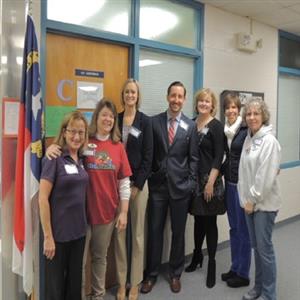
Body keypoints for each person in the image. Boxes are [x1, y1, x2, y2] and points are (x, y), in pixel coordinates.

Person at [46, 99, 132, 300]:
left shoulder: (118, 147)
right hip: (81, 216)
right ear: (96, 117)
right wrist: (52, 148)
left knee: (100, 259)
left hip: (106, 214)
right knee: (79, 263)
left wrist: (124, 212)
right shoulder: (85, 141)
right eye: (104, 114)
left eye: (111, 116)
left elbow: (124, 183)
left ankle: (98, 296)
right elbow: (67, 150)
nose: (108, 119)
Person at [140, 81, 198, 294]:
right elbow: (149, 155)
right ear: (167, 97)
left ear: (184, 99)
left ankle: (175, 273)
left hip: (181, 189)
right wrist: (151, 177)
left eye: (180, 96)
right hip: (158, 189)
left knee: (178, 233)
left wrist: (191, 183)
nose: (176, 100)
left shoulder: (190, 126)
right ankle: (151, 275)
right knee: (154, 232)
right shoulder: (153, 123)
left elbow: (193, 158)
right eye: (173, 95)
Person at [39, 111, 89, 300]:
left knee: (74, 285)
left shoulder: (82, 159)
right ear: (64, 132)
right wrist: (48, 237)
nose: (76, 136)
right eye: (72, 131)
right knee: (56, 288)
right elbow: (42, 199)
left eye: (81, 132)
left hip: (79, 233)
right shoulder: (54, 158)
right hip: (58, 236)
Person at [238, 98, 281, 300]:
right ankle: (258, 288)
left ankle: (269, 294)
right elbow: (244, 173)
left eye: (256, 113)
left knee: (265, 251)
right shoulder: (249, 138)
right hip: (249, 205)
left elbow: (264, 176)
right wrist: (244, 198)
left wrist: (252, 200)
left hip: (263, 205)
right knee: (257, 249)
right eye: (248, 113)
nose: (252, 117)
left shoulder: (269, 141)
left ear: (263, 116)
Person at [117, 79, 153, 300]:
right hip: (117, 185)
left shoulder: (145, 122)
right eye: (127, 92)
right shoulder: (116, 119)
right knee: (119, 235)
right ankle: (122, 282)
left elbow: (149, 156)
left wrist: (138, 185)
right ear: (123, 95)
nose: (130, 95)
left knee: (138, 235)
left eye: (134, 92)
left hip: (138, 185)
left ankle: (135, 283)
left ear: (138, 96)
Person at [187, 88, 225, 289]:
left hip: (210, 181)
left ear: (212, 105)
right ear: (197, 103)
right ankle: (196, 256)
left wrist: (210, 183)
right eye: (201, 101)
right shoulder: (192, 124)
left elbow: (219, 156)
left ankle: (211, 263)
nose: (203, 104)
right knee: (198, 221)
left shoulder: (216, 126)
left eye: (207, 101)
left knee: (210, 222)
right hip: (195, 181)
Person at [221, 92, 251, 288]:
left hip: (243, 186)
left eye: (234, 107)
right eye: (228, 107)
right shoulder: (226, 130)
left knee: (244, 231)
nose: (231, 110)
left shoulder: (246, 129)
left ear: (238, 109)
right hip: (229, 185)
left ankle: (243, 273)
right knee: (233, 229)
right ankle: (235, 266)